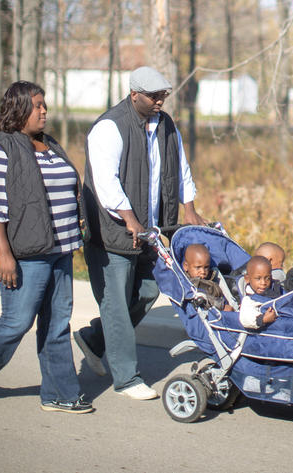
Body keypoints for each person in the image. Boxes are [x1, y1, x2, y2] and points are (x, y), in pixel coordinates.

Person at [0, 81, 93, 413]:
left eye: (45, 105)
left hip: (61, 249)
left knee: (57, 322)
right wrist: (4, 254)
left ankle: (60, 393)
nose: (44, 110)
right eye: (38, 105)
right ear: (18, 109)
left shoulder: (50, 145)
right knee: (16, 321)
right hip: (24, 254)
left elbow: (70, 188)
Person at [74, 66, 205, 400]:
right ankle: (127, 378)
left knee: (148, 291)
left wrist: (189, 210)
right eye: (154, 96)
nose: (160, 101)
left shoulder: (166, 126)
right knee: (116, 304)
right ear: (135, 95)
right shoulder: (109, 127)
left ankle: (94, 340)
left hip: (150, 229)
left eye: (163, 95)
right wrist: (129, 219)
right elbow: (106, 182)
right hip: (113, 231)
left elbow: (181, 168)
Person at [183, 244, 234, 312]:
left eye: (206, 267)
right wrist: (222, 306)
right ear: (186, 266)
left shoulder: (211, 275)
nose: (203, 271)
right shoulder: (192, 283)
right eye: (198, 267)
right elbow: (204, 297)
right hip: (215, 310)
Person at [239, 256, 281, 329]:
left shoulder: (276, 290)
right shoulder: (249, 300)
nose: (263, 283)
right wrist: (263, 319)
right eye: (258, 278)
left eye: (267, 278)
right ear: (247, 279)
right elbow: (245, 318)